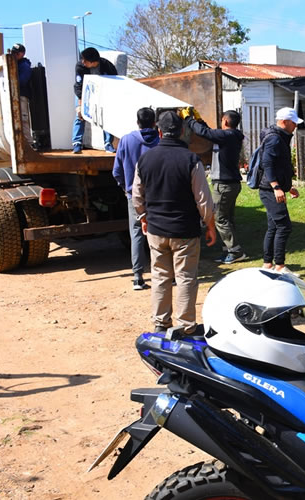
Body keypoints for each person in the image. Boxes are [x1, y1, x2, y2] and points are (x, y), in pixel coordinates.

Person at [132, 110, 216, 334]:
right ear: (181, 131)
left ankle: (161, 323)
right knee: (186, 277)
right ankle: (186, 326)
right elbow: (203, 199)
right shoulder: (191, 160)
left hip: (156, 230)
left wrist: (143, 217)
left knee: (160, 276)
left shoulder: (145, 159)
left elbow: (137, 196)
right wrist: (210, 225)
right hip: (184, 231)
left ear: (159, 131)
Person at [183, 109, 247, 264]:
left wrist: (189, 120)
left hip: (224, 185)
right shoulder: (229, 136)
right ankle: (228, 250)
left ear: (225, 120)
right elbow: (209, 132)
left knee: (220, 218)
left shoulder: (228, 136)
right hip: (229, 184)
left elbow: (206, 133)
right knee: (227, 218)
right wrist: (198, 121)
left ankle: (235, 251)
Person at [113, 107, 159, 291]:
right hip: (158, 195)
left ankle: (138, 277)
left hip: (134, 196)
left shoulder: (126, 140)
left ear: (137, 122)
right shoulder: (160, 140)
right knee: (160, 233)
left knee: (137, 234)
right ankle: (166, 275)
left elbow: (117, 171)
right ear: (154, 122)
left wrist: (126, 188)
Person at [259, 107, 301, 275]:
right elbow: (267, 164)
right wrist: (276, 187)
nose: (295, 126)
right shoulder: (275, 139)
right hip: (269, 190)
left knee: (274, 226)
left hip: (273, 188)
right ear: (284, 122)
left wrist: (287, 187)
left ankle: (267, 264)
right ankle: (280, 266)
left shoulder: (279, 137)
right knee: (284, 226)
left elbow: (279, 166)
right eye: (294, 123)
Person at [72, 47, 117, 154]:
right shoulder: (80, 66)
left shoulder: (108, 66)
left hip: (102, 93)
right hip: (84, 92)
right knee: (80, 116)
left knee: (106, 117)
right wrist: (80, 104)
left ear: (93, 62)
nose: (83, 62)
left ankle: (108, 143)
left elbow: (115, 82)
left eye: (85, 60)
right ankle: (77, 143)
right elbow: (79, 85)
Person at [11, 44, 33, 143]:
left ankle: (28, 142)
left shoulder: (24, 65)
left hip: (21, 95)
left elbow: (22, 81)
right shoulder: (13, 64)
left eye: (16, 53)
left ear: (22, 54)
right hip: (15, 95)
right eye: (13, 53)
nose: (14, 55)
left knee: (23, 119)